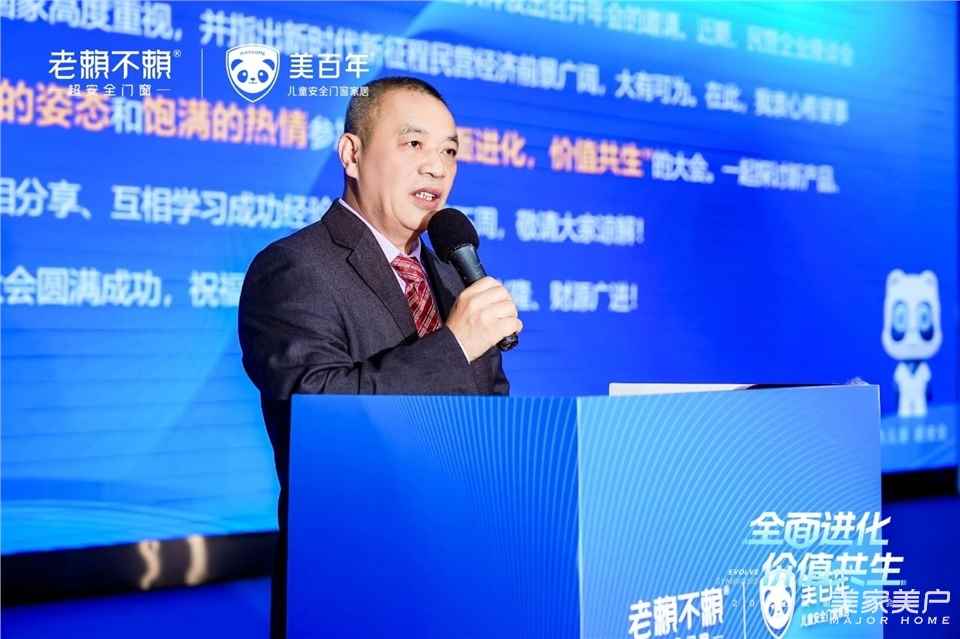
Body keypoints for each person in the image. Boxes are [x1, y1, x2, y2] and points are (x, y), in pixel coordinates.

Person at [237, 76, 522, 638]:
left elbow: (490, 419)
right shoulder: (294, 267)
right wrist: (454, 346)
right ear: (352, 154)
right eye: (414, 144)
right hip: (354, 579)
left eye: (449, 151)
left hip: (468, 572)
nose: (436, 168)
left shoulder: (451, 279)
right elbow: (317, 410)